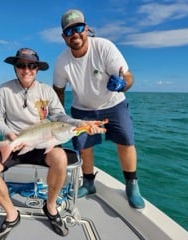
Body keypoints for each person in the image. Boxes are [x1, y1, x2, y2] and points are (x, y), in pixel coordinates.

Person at [0, 48, 105, 239]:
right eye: (21, 65)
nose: (26, 70)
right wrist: (10, 134)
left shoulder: (47, 91)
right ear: (15, 67)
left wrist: (81, 124)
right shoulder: (4, 90)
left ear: (37, 69)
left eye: (31, 66)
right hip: (16, 143)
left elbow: (60, 116)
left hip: (45, 142)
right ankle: (12, 214)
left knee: (60, 159)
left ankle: (51, 208)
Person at [53, 9, 145, 210]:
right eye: (69, 31)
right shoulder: (61, 61)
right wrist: (57, 116)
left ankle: (132, 185)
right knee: (84, 147)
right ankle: (88, 182)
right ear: (63, 37)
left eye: (78, 28)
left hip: (114, 103)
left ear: (86, 29)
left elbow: (128, 77)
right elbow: (58, 90)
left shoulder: (104, 47)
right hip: (82, 108)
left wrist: (122, 84)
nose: (75, 34)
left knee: (126, 142)